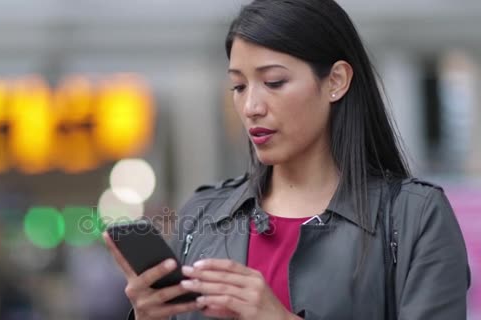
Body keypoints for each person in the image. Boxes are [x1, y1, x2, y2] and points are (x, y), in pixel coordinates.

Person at [103, 0, 471, 319]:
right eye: (238, 86)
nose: (251, 107)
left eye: (274, 82)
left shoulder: (414, 218)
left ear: (336, 81)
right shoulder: (203, 217)